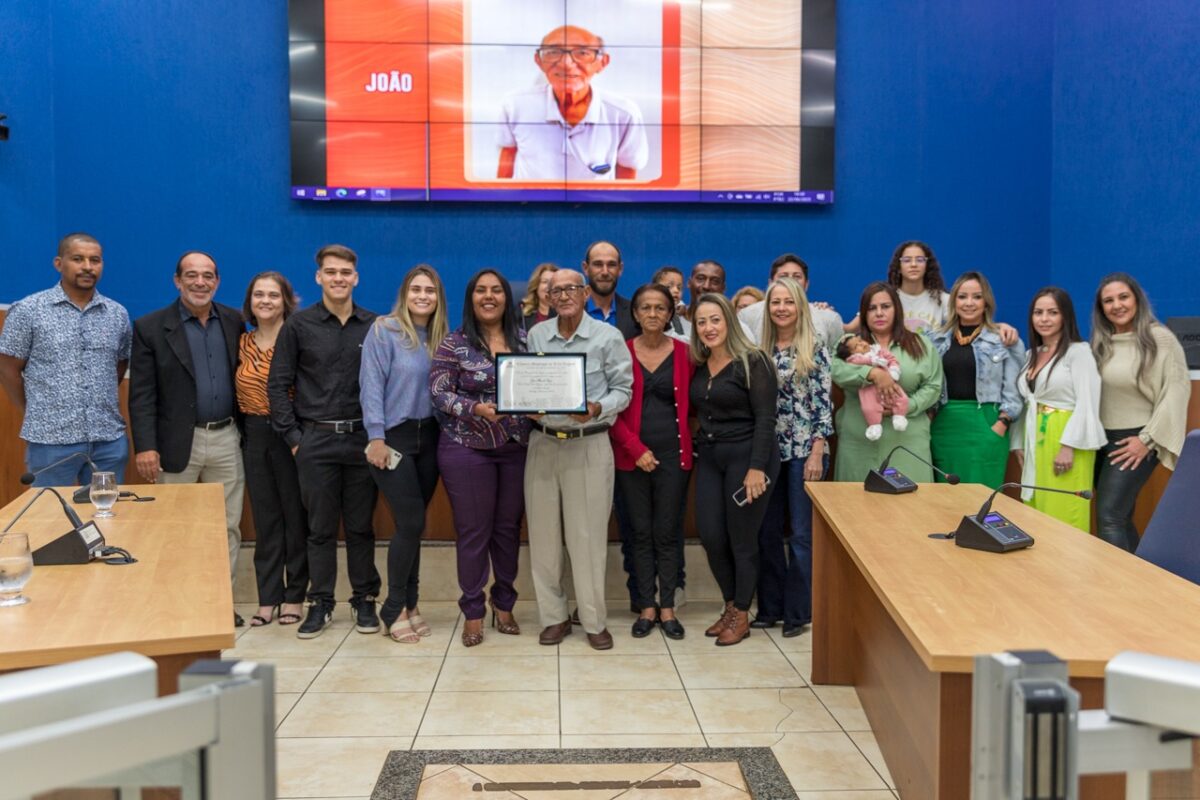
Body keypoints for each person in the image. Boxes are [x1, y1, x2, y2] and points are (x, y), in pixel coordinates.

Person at [269, 244, 380, 639]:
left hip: (362, 440)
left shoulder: (374, 325)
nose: (338, 278)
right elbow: (278, 386)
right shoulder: (298, 325)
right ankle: (321, 603)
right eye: (330, 272)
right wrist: (295, 439)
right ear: (318, 277)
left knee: (361, 527)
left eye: (345, 272)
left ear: (356, 278)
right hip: (314, 440)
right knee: (318, 529)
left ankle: (365, 601)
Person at [129, 250, 246, 626]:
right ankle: (176, 606)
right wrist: (145, 445)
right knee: (174, 529)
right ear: (177, 281)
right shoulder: (150, 327)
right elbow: (142, 394)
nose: (200, 282)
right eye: (192, 276)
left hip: (227, 438)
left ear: (217, 281)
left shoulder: (233, 320)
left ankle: (219, 606)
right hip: (176, 443)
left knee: (226, 526)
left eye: (208, 276)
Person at [525, 269, 633, 651]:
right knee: (543, 538)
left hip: (589, 444)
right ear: (549, 297)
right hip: (542, 444)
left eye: (571, 288)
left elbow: (625, 390)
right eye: (556, 291)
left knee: (587, 539)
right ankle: (554, 618)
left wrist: (600, 406)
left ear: (586, 292)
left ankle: (592, 620)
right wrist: (526, 407)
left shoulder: (608, 336)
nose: (564, 295)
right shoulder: (537, 335)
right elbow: (525, 382)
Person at [431, 269, 532, 647]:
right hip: (466, 448)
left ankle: (504, 605)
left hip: (516, 448)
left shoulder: (525, 340)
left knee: (508, 531)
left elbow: (541, 383)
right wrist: (476, 408)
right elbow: (439, 394)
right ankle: (473, 611)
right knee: (474, 533)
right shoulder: (453, 343)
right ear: (471, 298)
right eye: (480, 291)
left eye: (496, 291)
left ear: (507, 298)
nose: (488, 297)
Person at [0, 233, 132, 487]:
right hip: (50, 440)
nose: (87, 267)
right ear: (59, 263)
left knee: (107, 518)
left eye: (95, 260)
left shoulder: (117, 314)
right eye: (78, 259)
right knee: (48, 518)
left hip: (108, 441)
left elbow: (119, 363)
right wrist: (33, 411)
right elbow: (8, 369)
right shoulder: (29, 310)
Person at [361, 266, 448, 643]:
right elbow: (370, 386)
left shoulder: (444, 338)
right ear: (405, 293)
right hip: (392, 437)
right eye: (416, 289)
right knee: (410, 522)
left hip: (430, 438)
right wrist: (376, 437)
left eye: (430, 290)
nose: (423, 296)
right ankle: (393, 606)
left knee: (414, 526)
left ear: (439, 297)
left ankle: (412, 604)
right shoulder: (385, 330)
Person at [690, 293, 780, 646]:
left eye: (715, 319)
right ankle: (730, 606)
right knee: (712, 537)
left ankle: (742, 613)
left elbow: (766, 418)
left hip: (749, 459)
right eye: (701, 322)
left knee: (742, 540)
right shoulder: (700, 364)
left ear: (729, 320)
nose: (708, 328)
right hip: (711, 457)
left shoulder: (754, 361)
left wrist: (757, 468)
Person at [609, 283, 694, 639]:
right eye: (646, 308)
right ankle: (646, 606)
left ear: (671, 313)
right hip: (631, 457)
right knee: (639, 533)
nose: (653, 314)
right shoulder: (620, 352)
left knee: (668, 532)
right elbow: (611, 410)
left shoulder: (688, 353)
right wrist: (635, 449)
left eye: (661, 308)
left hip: (675, 457)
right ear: (635, 314)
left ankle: (668, 608)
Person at [753, 277, 832, 637]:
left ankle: (798, 613)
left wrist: (818, 450)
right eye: (775, 302)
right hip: (768, 453)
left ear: (800, 306)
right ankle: (770, 608)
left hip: (804, 452)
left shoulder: (814, 347)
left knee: (801, 535)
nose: (781, 308)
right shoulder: (759, 351)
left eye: (788, 301)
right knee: (766, 532)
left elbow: (823, 405)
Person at [1091, 273, 1191, 551]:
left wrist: (1146, 440)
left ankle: (1120, 589)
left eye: (1123, 297)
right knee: (1120, 518)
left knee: (1109, 516)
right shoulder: (1102, 343)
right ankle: (1141, 584)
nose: (1117, 305)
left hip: (1135, 439)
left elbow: (1176, 392)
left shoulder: (1160, 338)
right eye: (1108, 301)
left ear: (1137, 299)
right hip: (1103, 440)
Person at [236, 272, 308, 627]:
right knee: (266, 520)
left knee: (296, 518)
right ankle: (268, 598)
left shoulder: (298, 339)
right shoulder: (241, 342)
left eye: (274, 295)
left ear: (286, 302)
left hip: (292, 436)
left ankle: (295, 596)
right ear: (250, 301)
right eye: (259, 295)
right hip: (254, 434)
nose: (266, 301)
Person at [497, 26, 649, 182]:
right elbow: (508, 156)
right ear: (539, 61)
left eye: (582, 53)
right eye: (553, 52)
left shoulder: (623, 113)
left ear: (602, 62)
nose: (566, 64)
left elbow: (627, 169)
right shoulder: (514, 104)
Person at [1011, 287, 1105, 532]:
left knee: (1064, 511)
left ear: (1065, 316)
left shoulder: (1079, 353)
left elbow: (1087, 402)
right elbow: (1027, 403)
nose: (1044, 319)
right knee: (1038, 508)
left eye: (1052, 312)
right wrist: (1019, 441)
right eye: (1038, 312)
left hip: (1066, 437)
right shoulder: (1031, 354)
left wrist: (1068, 446)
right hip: (1036, 436)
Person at [831, 282, 944, 482]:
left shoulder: (921, 345)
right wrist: (872, 373)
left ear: (897, 310)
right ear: (864, 314)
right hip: (859, 443)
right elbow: (836, 370)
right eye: (872, 308)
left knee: (911, 509)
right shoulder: (849, 345)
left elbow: (934, 386)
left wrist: (908, 405)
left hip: (908, 442)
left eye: (885, 307)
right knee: (854, 509)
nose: (879, 313)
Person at [929, 272, 1026, 489]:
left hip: (987, 423)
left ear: (986, 302)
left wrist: (1002, 423)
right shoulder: (936, 339)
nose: (969, 303)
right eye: (963, 297)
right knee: (945, 500)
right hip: (945, 427)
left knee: (982, 499)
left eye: (977, 297)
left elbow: (1014, 390)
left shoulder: (1005, 340)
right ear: (954, 301)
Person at [739, 254, 845, 352]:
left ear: (806, 284)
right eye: (783, 276)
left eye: (797, 276)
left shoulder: (828, 318)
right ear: (770, 283)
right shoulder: (747, 316)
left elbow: (838, 361)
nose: (790, 281)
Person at [583, 240, 638, 338]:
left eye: (611, 265)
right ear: (586, 268)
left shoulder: (635, 313)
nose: (605, 272)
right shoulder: (569, 312)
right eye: (598, 264)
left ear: (620, 269)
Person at [651, 266, 689, 340]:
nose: (676, 290)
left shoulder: (679, 310)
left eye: (679, 287)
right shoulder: (654, 313)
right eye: (668, 287)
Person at [521, 262, 558, 331]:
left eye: (553, 282)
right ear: (536, 286)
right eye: (545, 282)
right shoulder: (522, 313)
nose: (549, 286)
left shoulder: (566, 315)